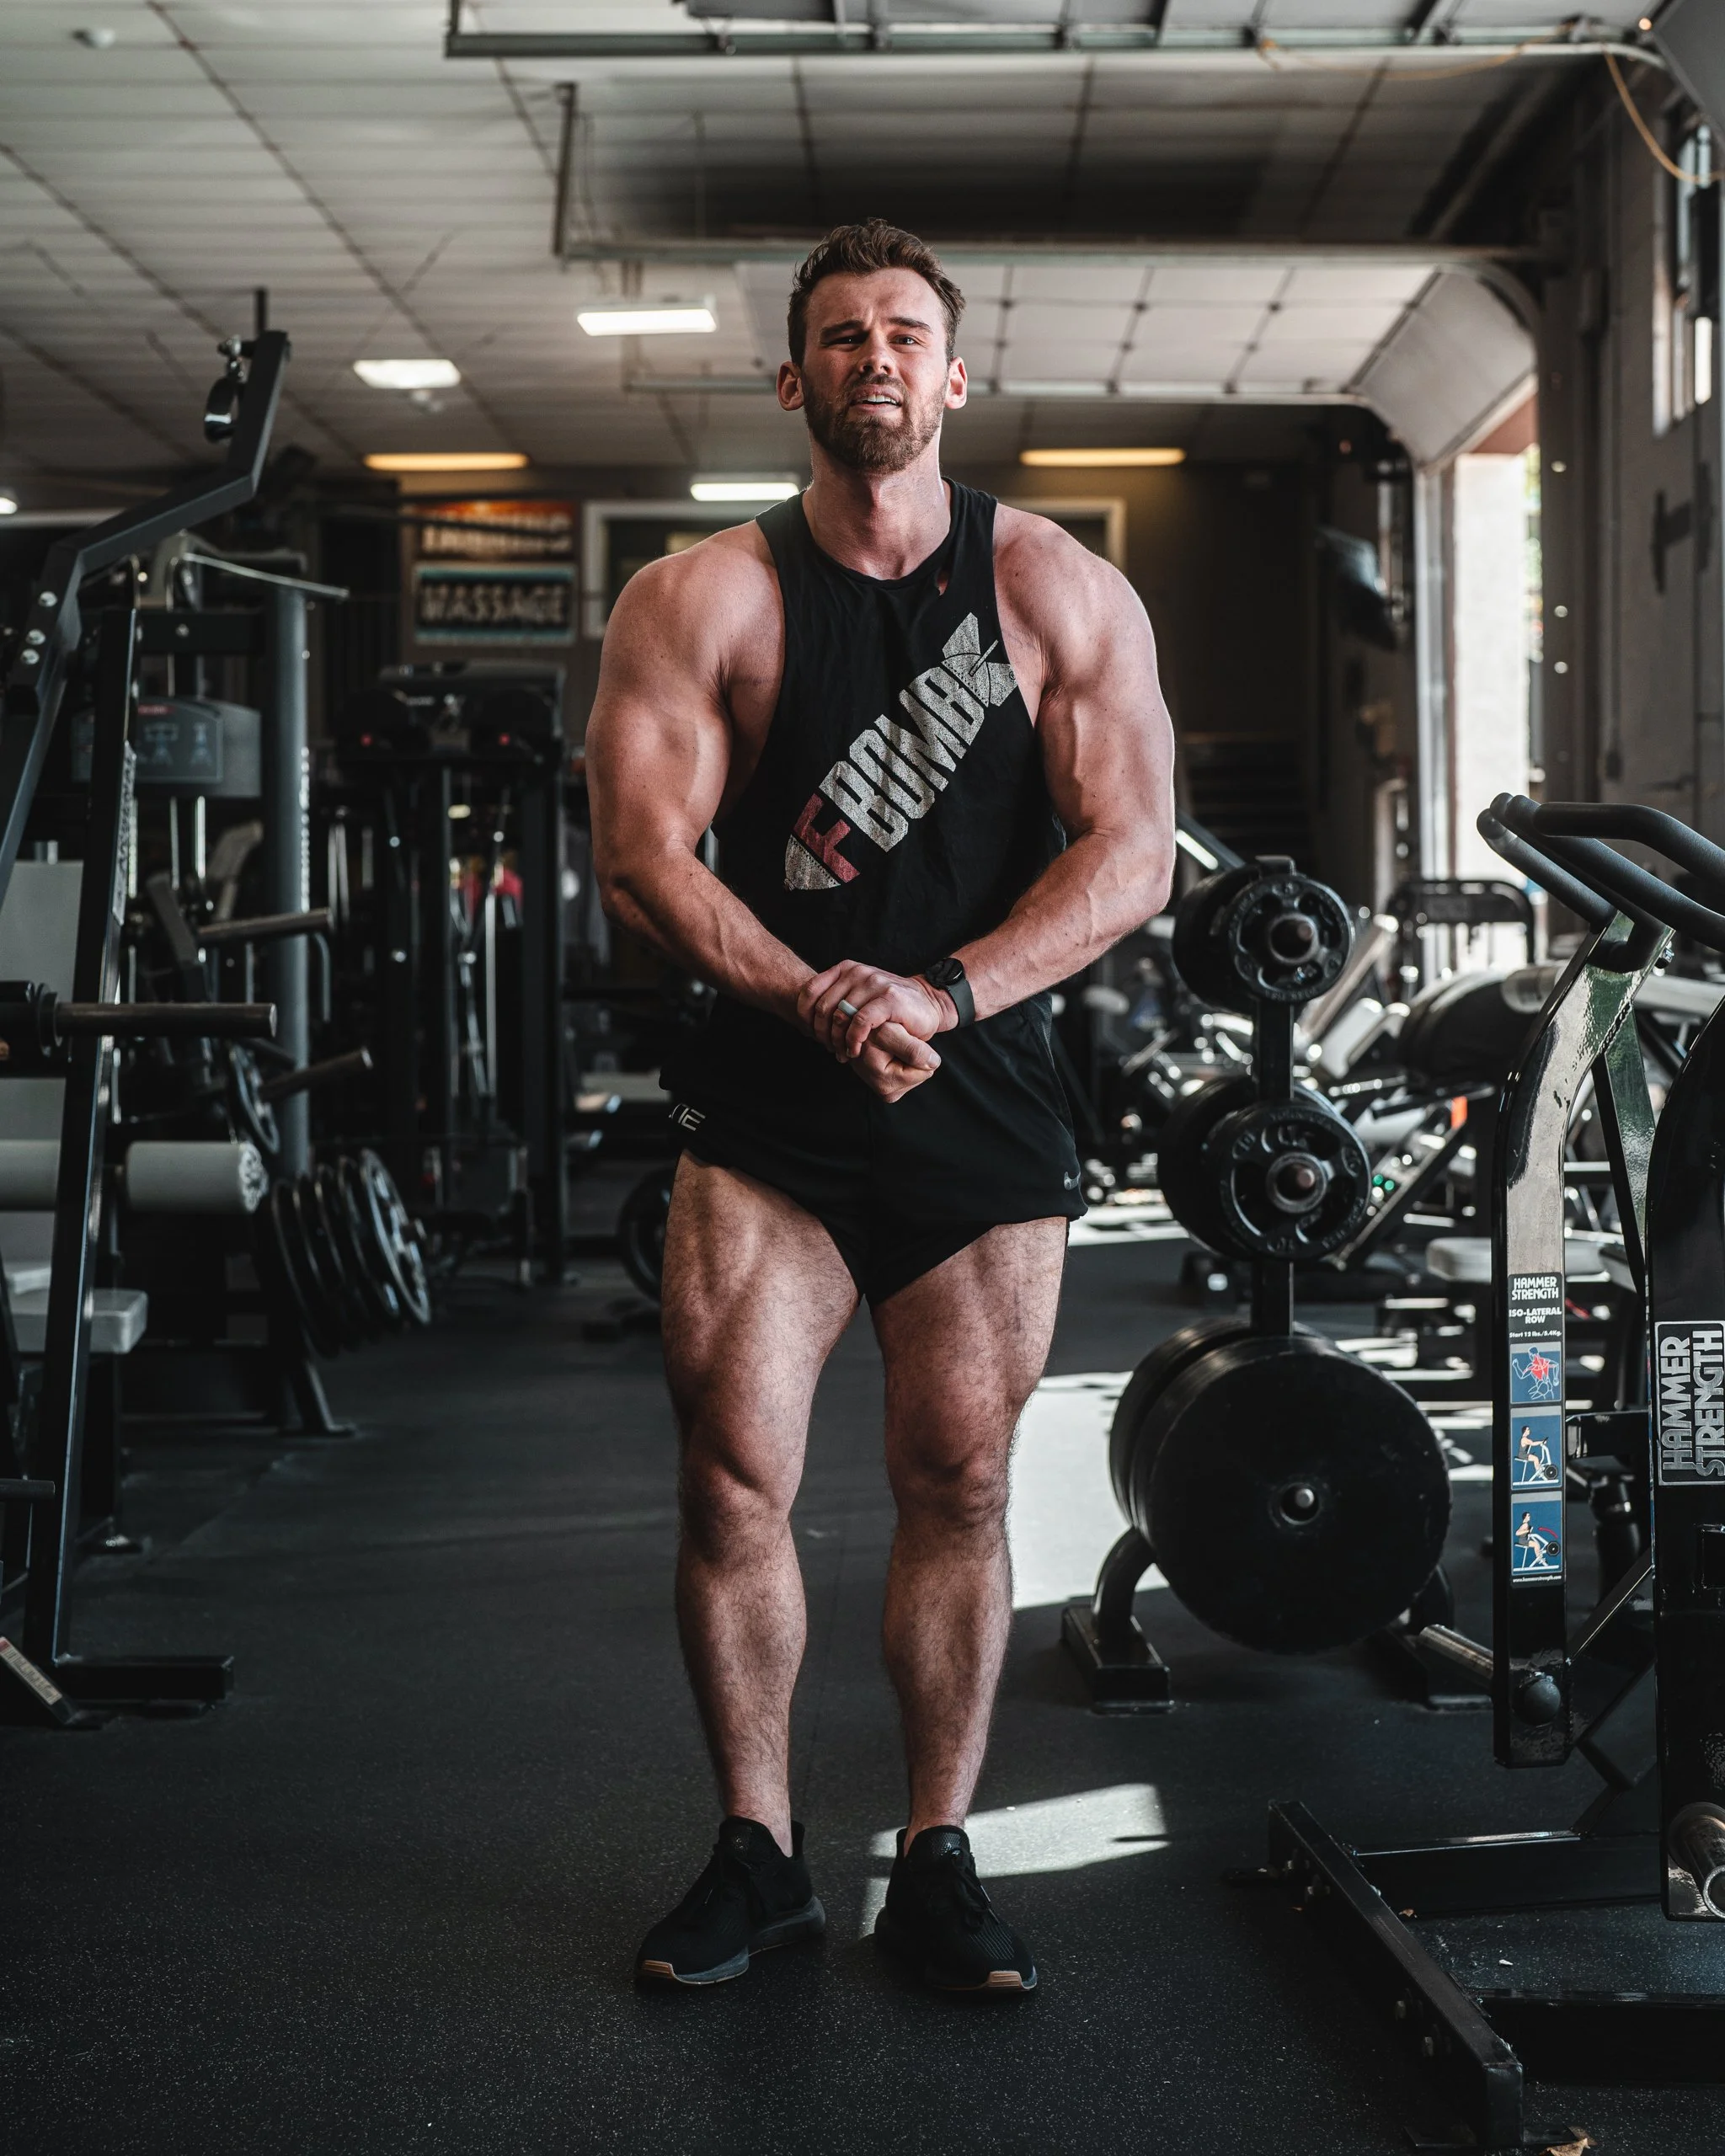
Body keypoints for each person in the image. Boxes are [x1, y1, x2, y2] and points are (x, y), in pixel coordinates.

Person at [587, 218, 1175, 1993]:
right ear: (796, 379)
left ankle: (934, 1850)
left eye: (905, 332)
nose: (875, 359)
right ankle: (758, 1853)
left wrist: (943, 990)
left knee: (963, 1478)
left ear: (954, 372)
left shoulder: (1057, 589)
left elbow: (1132, 851)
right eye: (841, 336)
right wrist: (814, 992)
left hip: (980, 1098)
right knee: (735, 1477)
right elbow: (639, 858)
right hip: (771, 1106)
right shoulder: (701, 598)